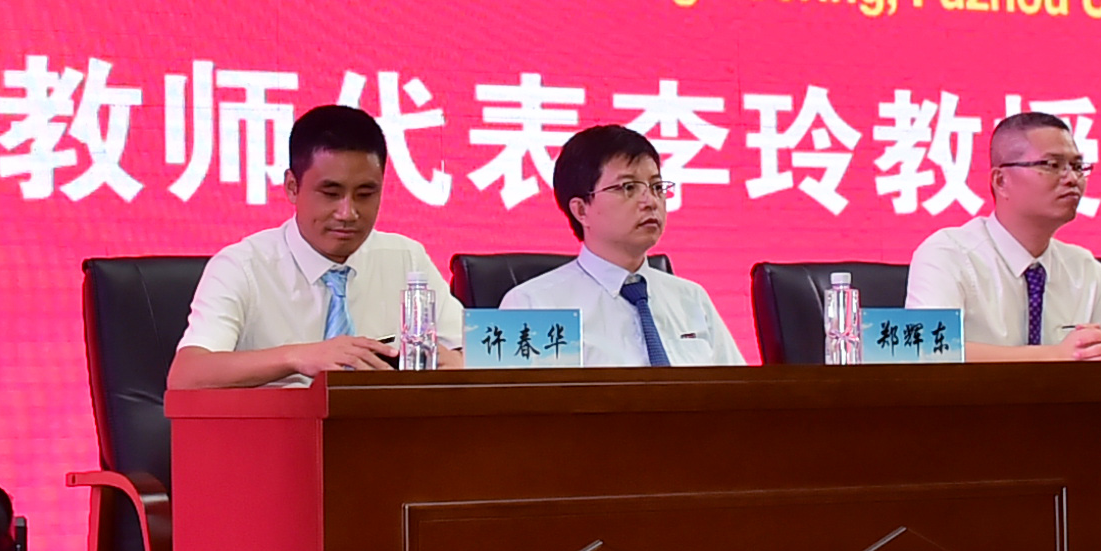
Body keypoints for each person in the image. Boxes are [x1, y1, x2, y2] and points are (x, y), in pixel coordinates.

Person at [169, 103, 455, 387]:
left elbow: (468, 350)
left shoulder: (406, 259)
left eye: (365, 194)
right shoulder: (242, 267)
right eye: (331, 193)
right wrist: (297, 357)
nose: (348, 213)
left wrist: (454, 361)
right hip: (280, 417)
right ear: (292, 187)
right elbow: (187, 375)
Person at [906, 112, 1101, 360]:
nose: (1072, 179)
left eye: (1077, 166)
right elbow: (924, 349)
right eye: (1052, 165)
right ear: (1001, 181)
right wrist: (1057, 355)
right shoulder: (948, 254)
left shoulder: (1081, 267)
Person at [497, 124, 745, 364]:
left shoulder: (691, 299)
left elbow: (739, 388)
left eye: (657, 187)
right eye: (628, 187)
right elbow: (508, 393)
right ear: (581, 210)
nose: (650, 201)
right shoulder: (530, 306)